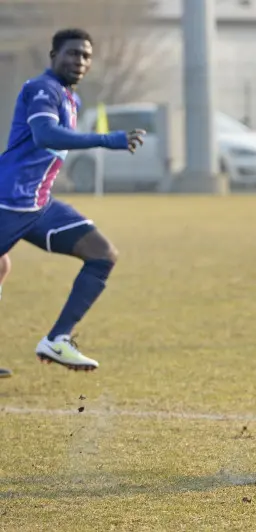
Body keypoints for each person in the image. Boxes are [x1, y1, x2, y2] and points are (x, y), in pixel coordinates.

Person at [0, 28, 145, 371]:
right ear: (54, 56)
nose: (79, 60)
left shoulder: (70, 99)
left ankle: (57, 340)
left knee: (102, 254)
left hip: (38, 205)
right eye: (72, 53)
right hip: (8, 201)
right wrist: (107, 139)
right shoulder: (43, 89)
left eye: (85, 55)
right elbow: (45, 134)